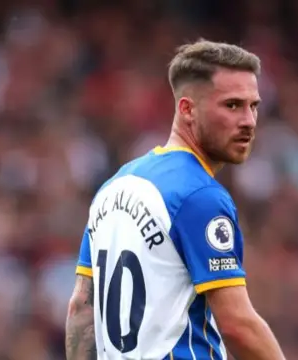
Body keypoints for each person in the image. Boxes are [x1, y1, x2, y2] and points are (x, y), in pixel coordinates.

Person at [65, 39, 286, 360]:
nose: (249, 122)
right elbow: (238, 325)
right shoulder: (199, 196)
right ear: (187, 109)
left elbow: (80, 310)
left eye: (254, 106)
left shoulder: (114, 187)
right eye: (232, 105)